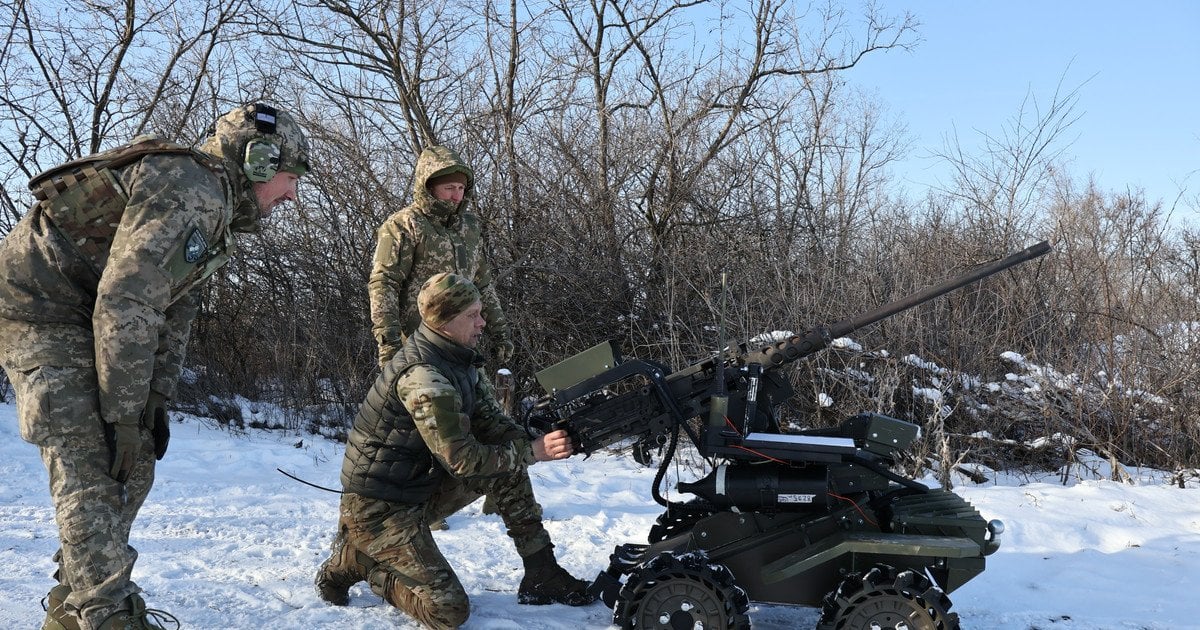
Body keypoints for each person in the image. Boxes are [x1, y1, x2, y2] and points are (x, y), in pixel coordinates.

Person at [0, 103, 309, 630]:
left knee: (136, 457)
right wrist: (120, 415)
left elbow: (172, 312)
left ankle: (74, 601)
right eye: (289, 177)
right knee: (92, 456)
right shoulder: (192, 187)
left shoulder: (215, 207)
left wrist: (152, 406)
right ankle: (106, 614)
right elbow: (128, 303)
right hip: (41, 308)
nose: (291, 194)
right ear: (258, 161)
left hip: (87, 309)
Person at [315, 272, 594, 628]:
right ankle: (362, 562)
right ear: (445, 322)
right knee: (447, 612)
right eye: (472, 315)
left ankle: (542, 573)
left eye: (480, 312)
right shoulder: (424, 377)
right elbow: (461, 459)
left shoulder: (459, 359)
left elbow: (493, 426)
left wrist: (540, 437)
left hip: (419, 489)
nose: (482, 322)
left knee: (507, 464)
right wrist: (531, 451)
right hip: (379, 510)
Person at [368, 145, 513, 368]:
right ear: (429, 188)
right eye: (449, 188)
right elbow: (384, 283)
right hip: (419, 345)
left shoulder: (469, 228)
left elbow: (482, 283)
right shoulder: (404, 225)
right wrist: (389, 344)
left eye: (461, 188)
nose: (457, 196)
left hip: (462, 345)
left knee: (471, 400)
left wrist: (500, 332)